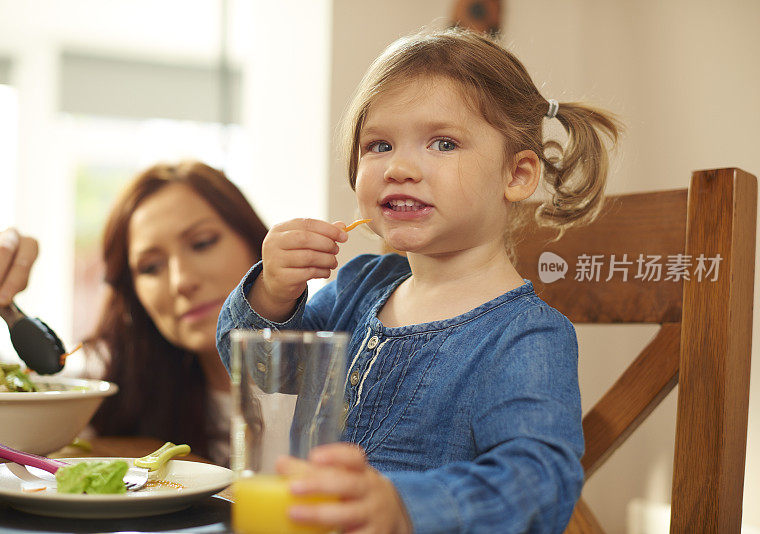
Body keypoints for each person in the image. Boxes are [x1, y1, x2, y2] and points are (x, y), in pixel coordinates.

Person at [216, 27, 621, 533]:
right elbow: (261, 386)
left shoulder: (526, 336)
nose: (399, 167)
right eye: (379, 144)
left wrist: (404, 507)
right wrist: (272, 296)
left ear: (516, 176)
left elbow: (540, 483)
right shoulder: (358, 286)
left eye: (443, 143)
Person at [0, 161, 267, 464]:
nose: (181, 281)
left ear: (255, 241)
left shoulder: (315, 381)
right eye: (150, 267)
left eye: (202, 243)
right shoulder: (113, 402)